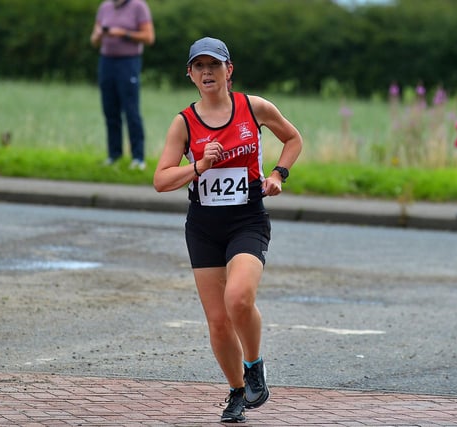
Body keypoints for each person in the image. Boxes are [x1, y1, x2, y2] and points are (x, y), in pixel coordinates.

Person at [153, 37, 302, 423]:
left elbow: (293, 138)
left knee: (239, 298)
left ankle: (254, 365)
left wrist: (278, 175)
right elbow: (162, 179)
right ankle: (238, 391)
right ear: (190, 74)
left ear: (228, 70)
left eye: (214, 66)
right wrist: (199, 166)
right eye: (199, 67)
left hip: (247, 218)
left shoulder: (254, 108)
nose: (207, 73)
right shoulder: (184, 122)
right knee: (218, 320)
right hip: (203, 225)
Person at [90, 0, 155, 170]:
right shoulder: (105, 7)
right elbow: (94, 40)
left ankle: (138, 158)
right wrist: (98, 35)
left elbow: (149, 37)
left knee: (131, 110)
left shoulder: (138, 6)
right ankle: (114, 155)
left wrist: (123, 33)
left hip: (128, 62)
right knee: (110, 110)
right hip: (106, 62)